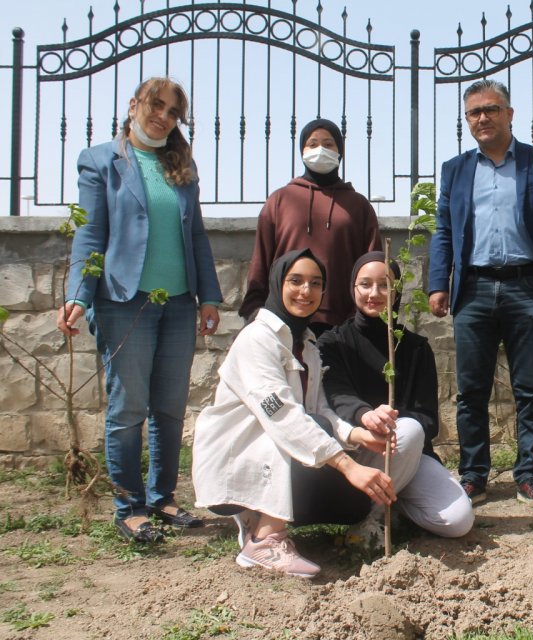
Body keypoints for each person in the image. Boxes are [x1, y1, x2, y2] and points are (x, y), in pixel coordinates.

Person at [55, 77, 222, 543]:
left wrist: (208, 296)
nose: (163, 116)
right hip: (123, 302)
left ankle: (163, 497)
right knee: (128, 409)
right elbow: (90, 235)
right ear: (133, 104)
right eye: (157, 105)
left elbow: (197, 236)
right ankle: (128, 506)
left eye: (172, 112)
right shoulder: (100, 162)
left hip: (177, 305)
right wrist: (78, 295)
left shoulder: (181, 167)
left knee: (169, 408)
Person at [193, 249, 424, 578]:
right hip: (238, 458)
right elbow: (282, 414)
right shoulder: (257, 340)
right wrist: (347, 465)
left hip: (279, 456)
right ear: (277, 283)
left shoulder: (306, 345)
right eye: (296, 281)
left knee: (352, 498)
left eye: (316, 284)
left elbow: (320, 409)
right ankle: (264, 540)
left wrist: (354, 435)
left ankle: (260, 517)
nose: (306, 291)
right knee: (308, 430)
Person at [428, 79, 533, 508]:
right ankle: (473, 475)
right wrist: (438, 282)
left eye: (491, 109)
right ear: (467, 120)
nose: (483, 118)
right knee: (471, 390)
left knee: (530, 387)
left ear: (510, 114)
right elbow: (444, 231)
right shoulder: (455, 169)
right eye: (474, 112)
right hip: (472, 288)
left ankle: (528, 474)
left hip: (527, 285)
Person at [318, 252, 474, 538]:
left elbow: (426, 419)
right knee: (408, 429)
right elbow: (337, 396)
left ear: (397, 290)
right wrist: (366, 417)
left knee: (457, 521)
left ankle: (395, 499)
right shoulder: (333, 342)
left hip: (403, 448)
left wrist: (390, 424)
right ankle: (368, 519)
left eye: (384, 285)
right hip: (357, 452)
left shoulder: (414, 347)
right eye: (365, 284)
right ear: (353, 288)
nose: (374, 293)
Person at [239, 118, 381, 336]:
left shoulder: (359, 206)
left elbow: (372, 264)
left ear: (340, 151)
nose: (321, 149)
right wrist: (255, 309)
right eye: (313, 144)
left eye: (328, 144)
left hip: (342, 323)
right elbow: (261, 259)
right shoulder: (280, 200)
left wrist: (359, 318)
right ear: (302, 150)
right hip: (283, 319)